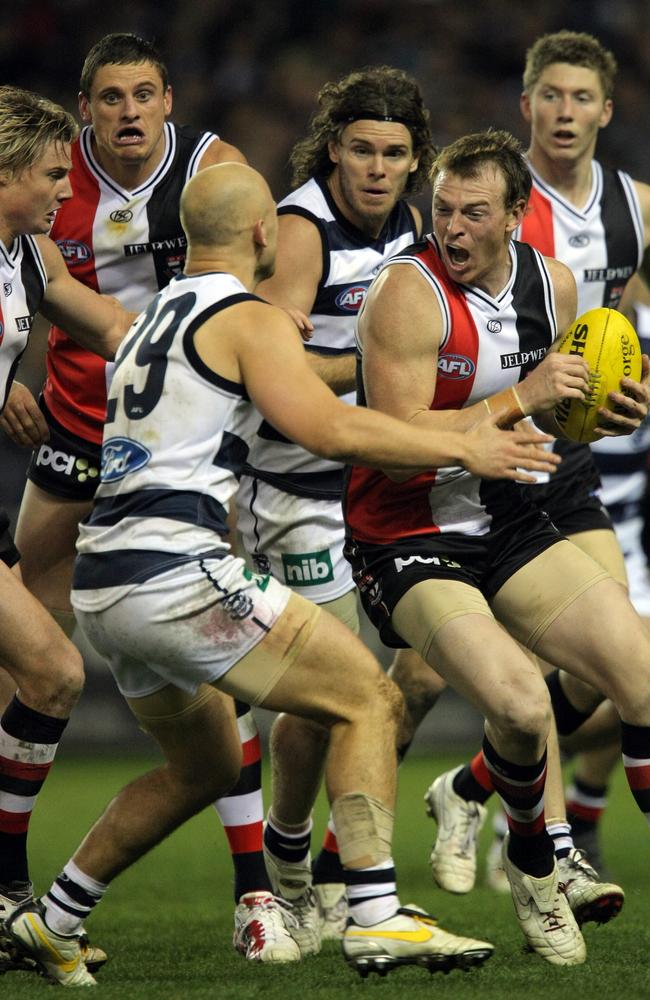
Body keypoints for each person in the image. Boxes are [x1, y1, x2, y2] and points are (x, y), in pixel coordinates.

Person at [0, 161, 558, 986]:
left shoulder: (152, 315)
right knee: (369, 694)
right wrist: (467, 442)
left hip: (106, 580)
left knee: (208, 769)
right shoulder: (244, 315)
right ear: (264, 235)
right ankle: (374, 914)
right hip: (173, 573)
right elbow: (329, 429)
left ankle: (52, 919)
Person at [0, 33, 284, 962]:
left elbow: (134, 318)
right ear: (84, 111)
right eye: (110, 97)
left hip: (173, 447)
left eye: (145, 94)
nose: (128, 113)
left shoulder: (214, 176)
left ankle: (254, 892)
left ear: (169, 101)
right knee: (33, 652)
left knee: (206, 648)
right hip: (77, 437)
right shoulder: (41, 210)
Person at [343, 128, 650, 967]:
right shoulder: (407, 293)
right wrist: (525, 397)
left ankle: (500, 822)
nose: (454, 227)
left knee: (640, 668)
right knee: (517, 703)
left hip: (508, 516)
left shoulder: (549, 285)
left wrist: (603, 406)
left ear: (517, 215)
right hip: (405, 532)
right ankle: (535, 868)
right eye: (444, 208)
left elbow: (555, 406)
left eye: (476, 212)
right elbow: (388, 435)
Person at [422, 30, 650, 905]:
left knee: (600, 667)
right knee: (452, 683)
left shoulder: (634, 207)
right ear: (525, 106)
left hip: (574, 456)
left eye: (581, 97)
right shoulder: (490, 207)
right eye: (549, 95)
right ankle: (543, 856)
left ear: (606, 110)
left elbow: (620, 317)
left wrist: (627, 384)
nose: (564, 111)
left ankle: (472, 792)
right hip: (485, 455)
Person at [235, 64, 439, 948]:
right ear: (333, 149)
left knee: (422, 676)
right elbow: (270, 368)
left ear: (416, 161)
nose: (377, 168)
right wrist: (380, 368)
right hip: (299, 487)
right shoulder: (300, 229)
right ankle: (295, 860)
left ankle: (324, 862)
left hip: (380, 481)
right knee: (333, 693)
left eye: (394, 153)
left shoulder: (419, 229)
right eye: (361, 149)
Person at [0, 84, 135, 969]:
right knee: (51, 670)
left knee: (30, 670)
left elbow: (118, 325)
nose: (65, 188)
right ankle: (9, 891)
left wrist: (219, 345)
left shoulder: (26, 252)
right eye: (52, 172)